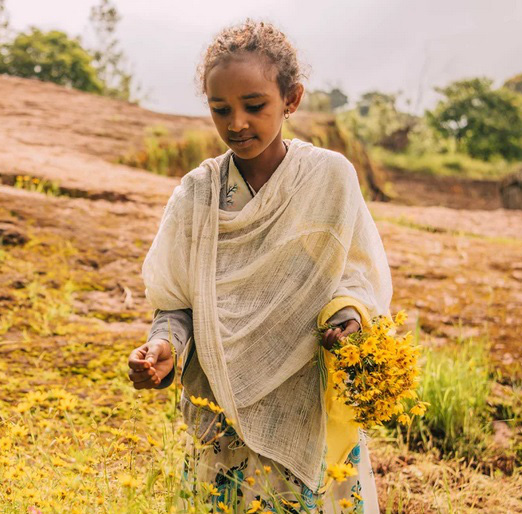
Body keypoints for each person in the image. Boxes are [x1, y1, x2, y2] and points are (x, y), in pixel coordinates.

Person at [127, 21, 392, 513]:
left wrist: (350, 320)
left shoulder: (328, 179)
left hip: (304, 408)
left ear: (291, 99)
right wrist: (164, 347)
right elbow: (178, 303)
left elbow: (354, 276)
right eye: (220, 109)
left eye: (255, 106)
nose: (237, 124)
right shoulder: (196, 196)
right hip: (223, 418)